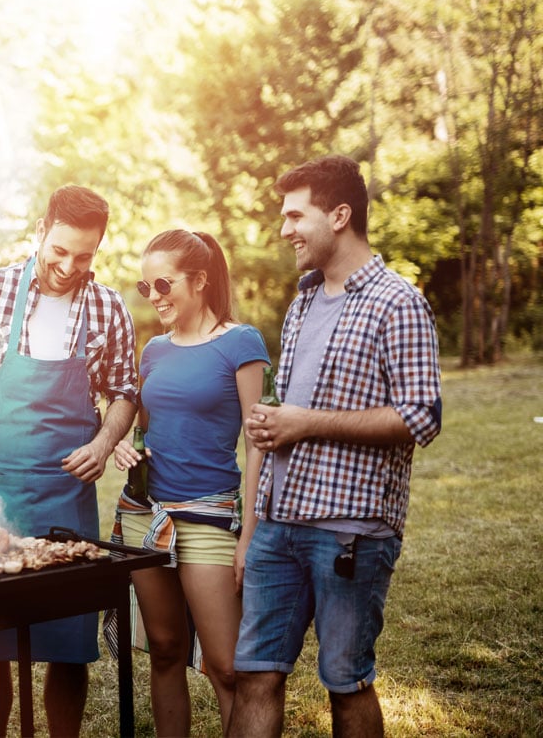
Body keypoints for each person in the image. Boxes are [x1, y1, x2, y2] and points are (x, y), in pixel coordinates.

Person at [228, 155, 442, 737]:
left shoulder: (398, 302)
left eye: (296, 215)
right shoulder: (301, 304)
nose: (284, 230)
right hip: (278, 525)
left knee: (345, 683)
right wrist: (273, 425)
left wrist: (306, 424)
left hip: (351, 531)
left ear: (340, 215)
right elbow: (296, 407)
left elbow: (421, 415)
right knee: (254, 674)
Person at [0, 185, 139, 737]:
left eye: (85, 255)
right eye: (60, 251)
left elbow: (123, 390)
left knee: (69, 643)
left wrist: (101, 444)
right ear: (41, 231)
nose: (70, 267)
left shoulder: (108, 307)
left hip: (67, 497)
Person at [109, 229, 269, 735]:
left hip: (208, 518)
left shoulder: (241, 343)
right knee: (164, 650)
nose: (154, 297)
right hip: (145, 518)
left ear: (199, 280)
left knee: (226, 666)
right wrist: (122, 445)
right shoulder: (153, 350)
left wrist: (249, 534)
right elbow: (149, 427)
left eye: (164, 284)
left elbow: (256, 440)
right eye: (145, 287)